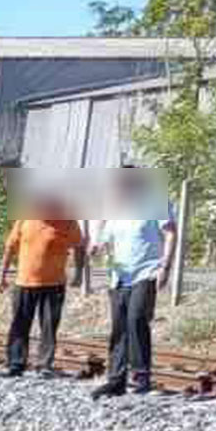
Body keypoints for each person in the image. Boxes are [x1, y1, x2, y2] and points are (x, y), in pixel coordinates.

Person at [89, 166, 177, 399]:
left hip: (146, 272)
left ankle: (141, 376)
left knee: (136, 319)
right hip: (119, 275)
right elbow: (106, 239)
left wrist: (165, 267)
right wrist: (96, 246)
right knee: (119, 326)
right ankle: (116, 379)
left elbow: (170, 233)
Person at [0, 192, 85, 378]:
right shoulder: (26, 219)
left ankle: (44, 365)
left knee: (48, 327)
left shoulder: (68, 221)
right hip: (25, 282)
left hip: (54, 284)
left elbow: (79, 246)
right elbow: (10, 248)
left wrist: (78, 272)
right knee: (19, 325)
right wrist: (2, 276)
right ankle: (16, 364)